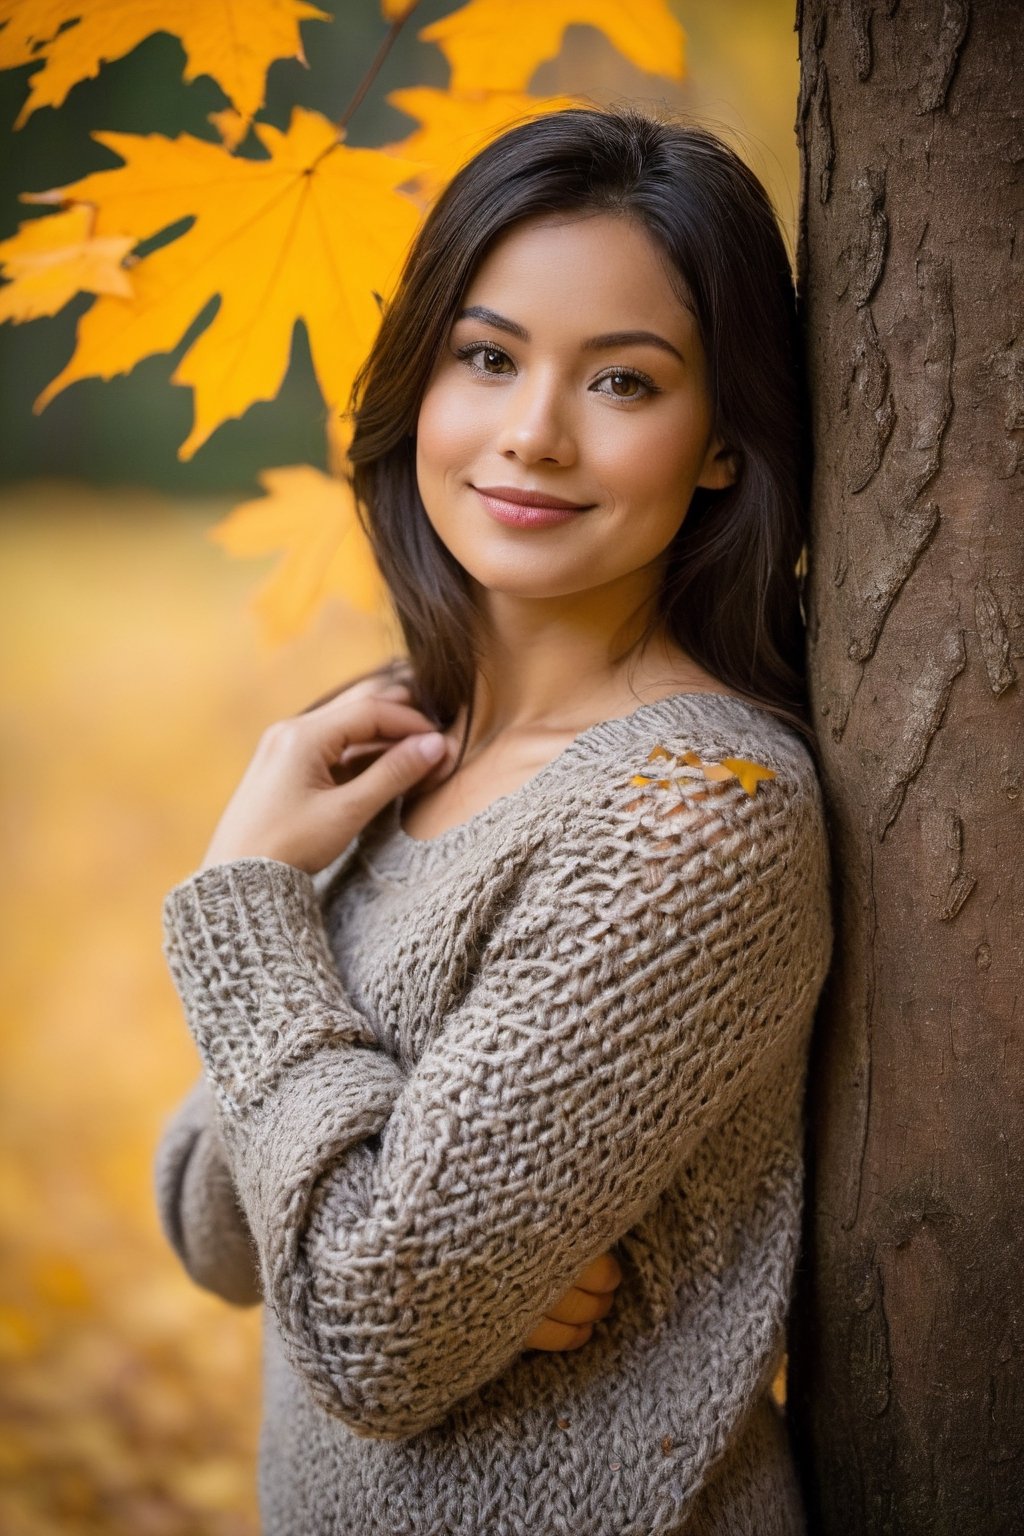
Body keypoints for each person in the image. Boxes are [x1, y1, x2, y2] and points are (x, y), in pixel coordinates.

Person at [154, 107, 834, 1535]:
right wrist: (390, 1197)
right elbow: (209, 1224)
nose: (530, 434)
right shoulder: (395, 739)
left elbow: (369, 1333)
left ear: (722, 444)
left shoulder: (698, 818)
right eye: (487, 356)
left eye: (627, 384)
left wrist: (242, 907)